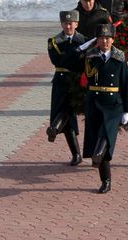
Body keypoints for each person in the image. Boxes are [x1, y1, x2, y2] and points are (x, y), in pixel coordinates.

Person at [79, 23, 128, 194]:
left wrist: (126, 110)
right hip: (94, 103)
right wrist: (82, 47)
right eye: (101, 38)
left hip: (113, 104)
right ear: (97, 40)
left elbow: (125, 84)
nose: (105, 41)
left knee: (105, 135)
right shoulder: (90, 56)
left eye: (108, 38)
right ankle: (105, 180)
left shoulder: (119, 58)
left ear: (113, 39)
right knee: (96, 139)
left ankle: (101, 163)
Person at [46, 10, 84, 166]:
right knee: (65, 115)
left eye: (71, 23)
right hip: (61, 81)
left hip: (76, 82)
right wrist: (75, 55)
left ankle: (54, 128)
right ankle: (76, 154)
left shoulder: (84, 40)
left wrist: (70, 58)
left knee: (68, 110)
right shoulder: (54, 41)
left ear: (76, 24)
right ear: (61, 24)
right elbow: (57, 61)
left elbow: (81, 63)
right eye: (65, 23)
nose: (68, 26)